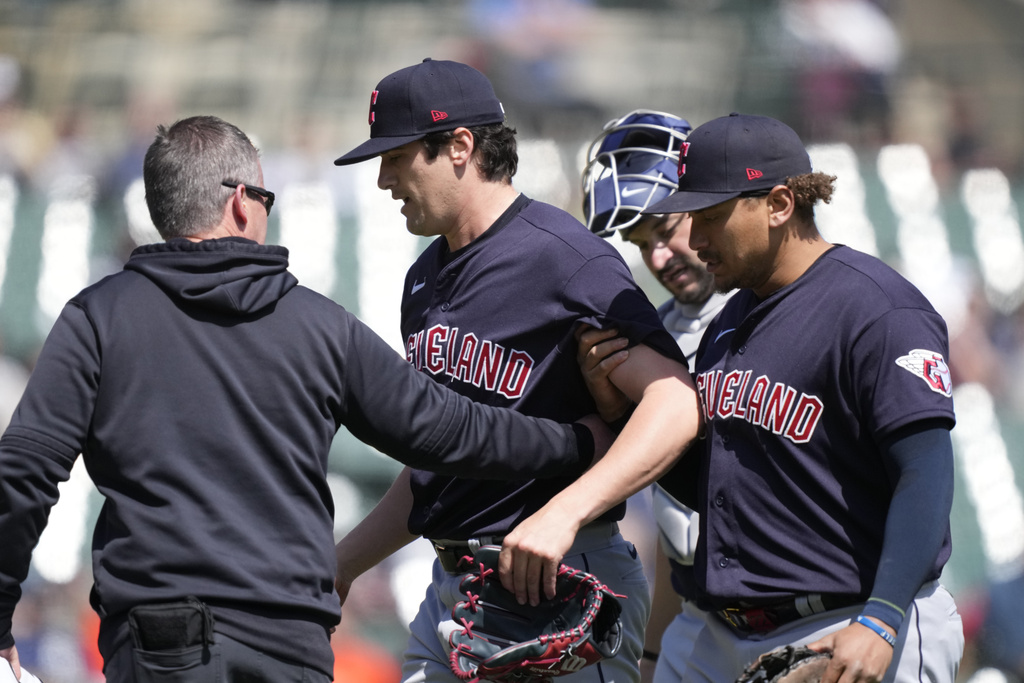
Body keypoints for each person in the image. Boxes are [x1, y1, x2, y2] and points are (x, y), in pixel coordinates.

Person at [0, 115, 610, 683]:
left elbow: (25, 470)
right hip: (289, 641)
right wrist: (578, 441)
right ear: (242, 202)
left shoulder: (97, 318)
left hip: (161, 639)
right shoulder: (319, 326)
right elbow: (448, 432)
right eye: (266, 199)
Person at [331, 59, 702, 683]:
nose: (384, 179)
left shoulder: (565, 258)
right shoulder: (423, 279)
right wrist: (344, 563)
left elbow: (675, 403)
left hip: (560, 588)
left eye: (396, 157)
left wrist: (565, 512)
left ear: (459, 146)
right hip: (451, 591)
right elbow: (433, 469)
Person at [630, 112, 964, 682]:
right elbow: (716, 486)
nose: (695, 239)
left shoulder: (877, 310)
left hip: (851, 622)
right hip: (726, 631)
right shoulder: (729, 322)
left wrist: (881, 619)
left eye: (711, 217)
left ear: (780, 204)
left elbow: (926, 473)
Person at [578, 109, 733, 682]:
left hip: (814, 605)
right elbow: (680, 532)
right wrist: (652, 655)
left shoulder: (783, 311)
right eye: (641, 244)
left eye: (665, 231)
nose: (658, 259)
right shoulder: (655, 336)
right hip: (704, 616)